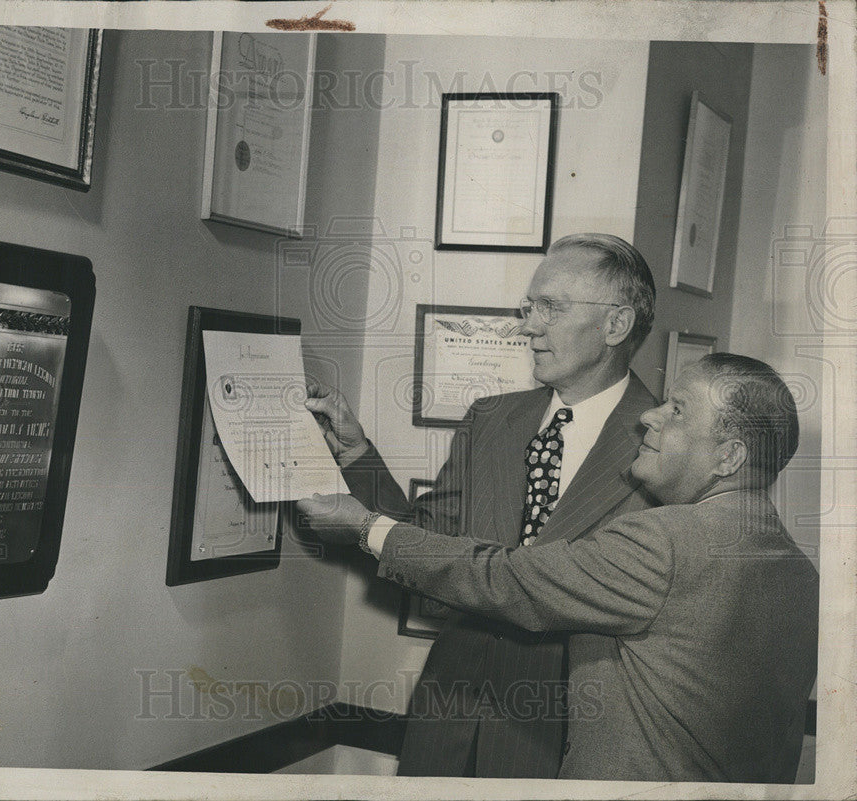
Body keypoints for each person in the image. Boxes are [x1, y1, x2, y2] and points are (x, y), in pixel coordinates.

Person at [299, 354, 818, 783]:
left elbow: (505, 580)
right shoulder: (798, 570)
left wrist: (367, 529)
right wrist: (358, 456)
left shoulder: (664, 542)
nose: (650, 417)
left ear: (728, 458)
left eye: (678, 410)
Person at [304, 233, 659, 777]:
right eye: (528, 307)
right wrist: (356, 455)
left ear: (617, 325)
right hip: (445, 724)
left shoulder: (663, 446)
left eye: (551, 308)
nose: (527, 326)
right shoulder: (492, 418)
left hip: (563, 743)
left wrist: (364, 526)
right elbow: (426, 543)